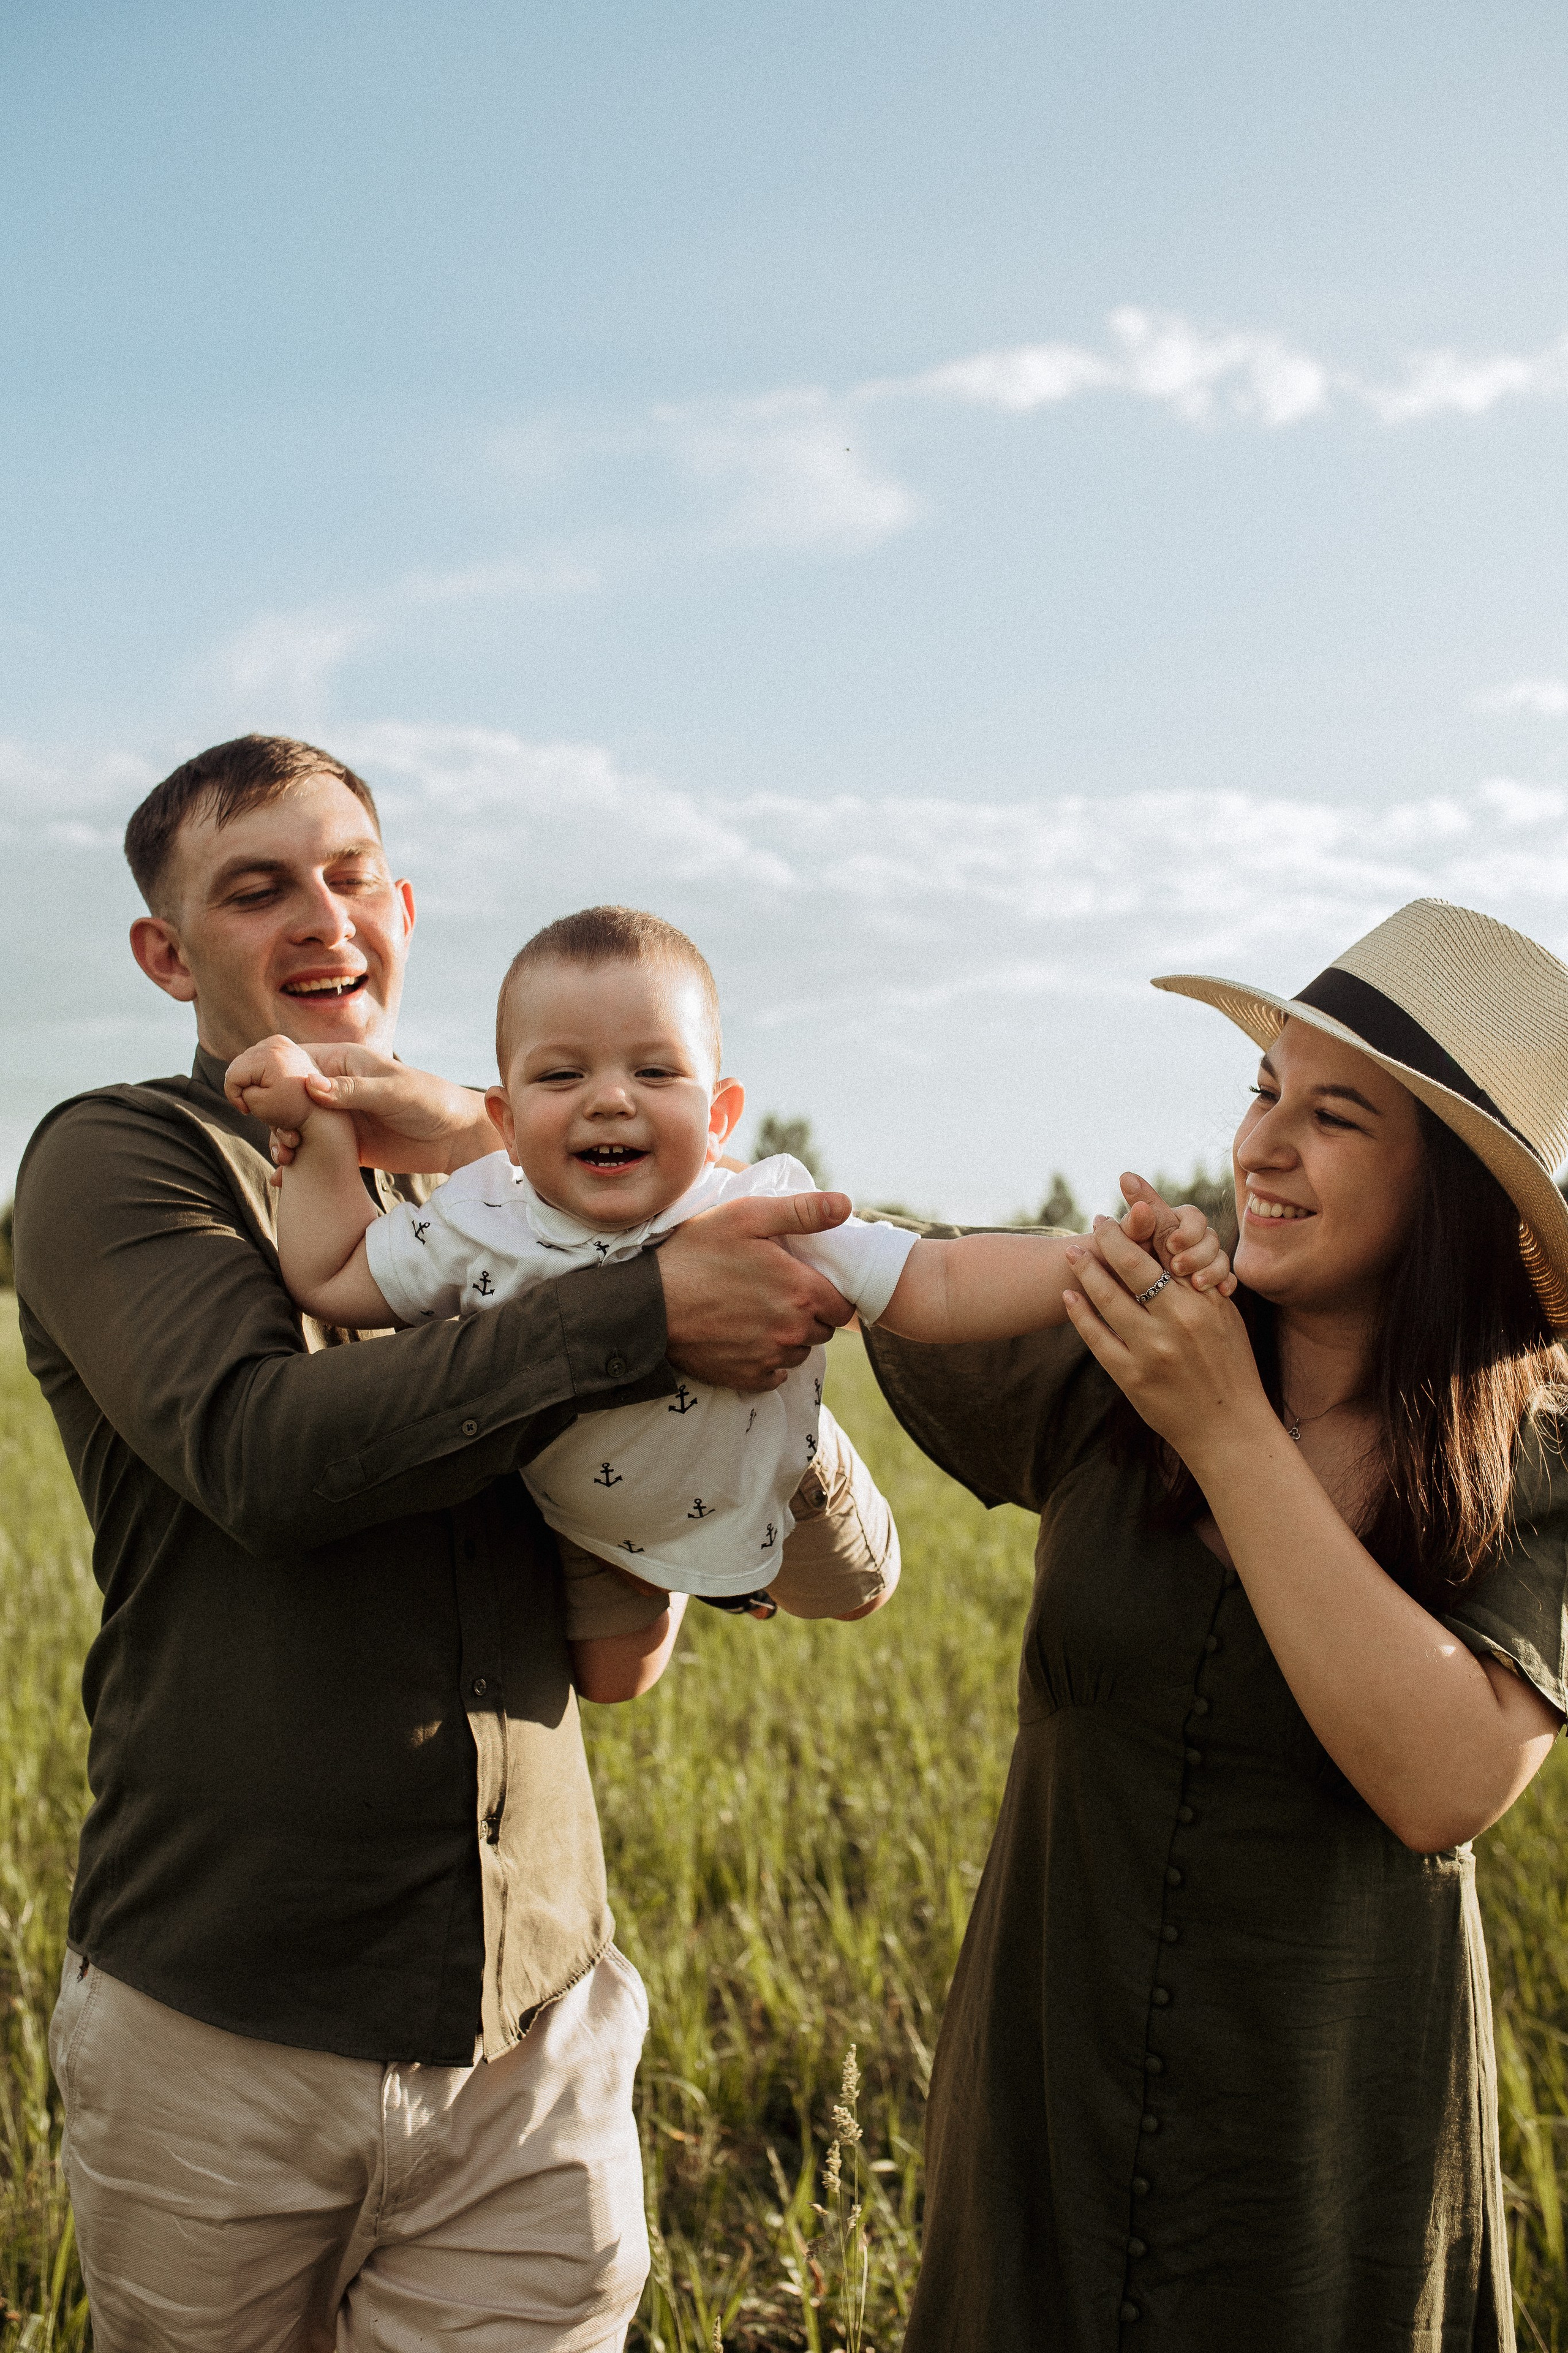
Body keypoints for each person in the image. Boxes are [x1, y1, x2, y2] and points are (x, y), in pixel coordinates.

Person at [12, 733, 896, 2353]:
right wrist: (636, 1313)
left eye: (350, 874)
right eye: (256, 887)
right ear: (165, 951)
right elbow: (261, 1452)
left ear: (403, 907)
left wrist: (719, 1352)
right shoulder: (118, 1162)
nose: (320, 915)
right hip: (225, 2030)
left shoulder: (539, 1201)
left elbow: (738, 1600)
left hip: (536, 2035)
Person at [861, 896, 1568, 2352]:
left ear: (1446, 1189)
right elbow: (851, 1268)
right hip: (1048, 2090)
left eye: (1333, 1117)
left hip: (1323, 2143)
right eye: (1260, 1093)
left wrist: (1227, 1433)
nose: (1260, 1146)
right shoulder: (1115, 1350)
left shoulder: (1539, 1465)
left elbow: (1442, 1779)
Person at [227, 904, 1236, 1672]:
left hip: (776, 1481)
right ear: (502, 1116)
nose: (610, 1096)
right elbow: (334, 1274)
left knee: (862, 1593)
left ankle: (786, 1498)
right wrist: (317, 1132)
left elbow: (934, 1278)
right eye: (562, 1076)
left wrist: (1099, 1257)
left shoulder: (762, 1210)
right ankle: (680, 1582)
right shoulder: (476, 1216)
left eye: (655, 1072)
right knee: (616, 1677)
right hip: (590, 1517)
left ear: (718, 1115)